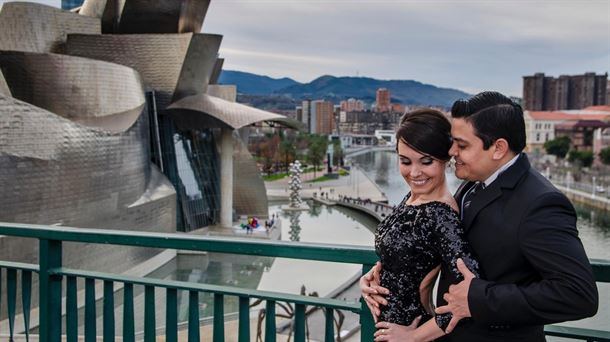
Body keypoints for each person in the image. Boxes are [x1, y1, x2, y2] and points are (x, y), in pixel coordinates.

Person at [362, 92, 598, 341]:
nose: (451, 151)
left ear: (498, 148)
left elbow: (578, 295)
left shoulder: (540, 203)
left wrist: (477, 298)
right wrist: (387, 273)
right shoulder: (472, 182)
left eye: (462, 145)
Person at [361, 109, 480, 340]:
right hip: (390, 331)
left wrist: (413, 337)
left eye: (426, 162)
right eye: (405, 161)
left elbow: (471, 295)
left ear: (446, 158)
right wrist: (368, 280)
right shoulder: (414, 197)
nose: (414, 173)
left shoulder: (441, 215)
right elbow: (408, 256)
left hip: (409, 332)